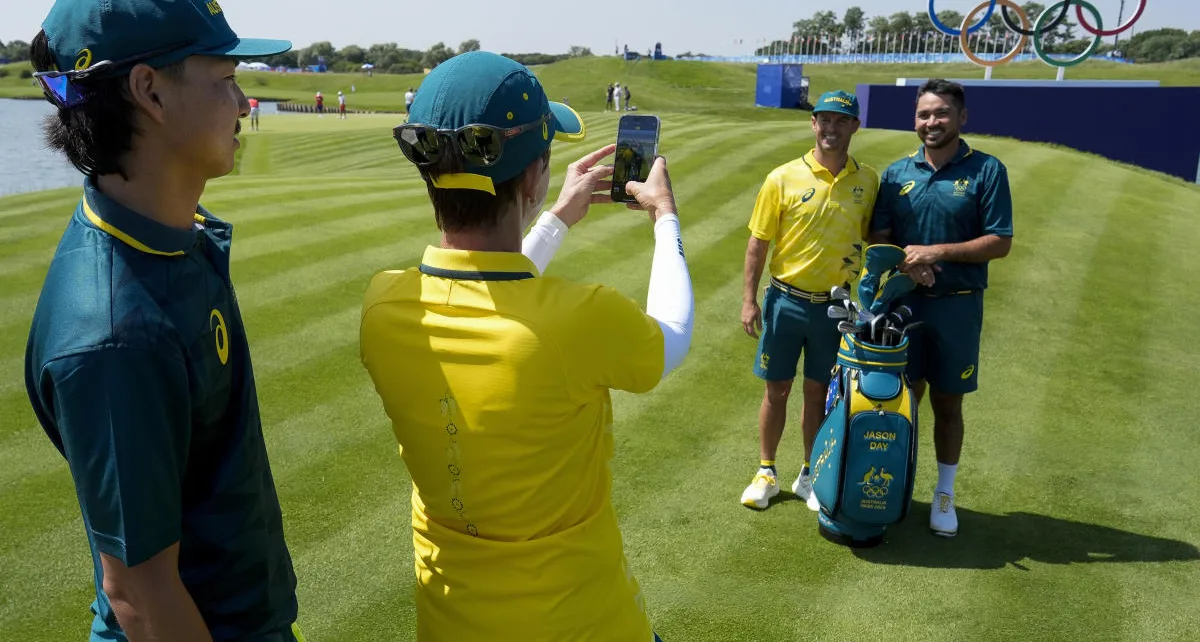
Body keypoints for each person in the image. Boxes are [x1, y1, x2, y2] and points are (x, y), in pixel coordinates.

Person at [360, 51, 693, 641]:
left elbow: (486, 293)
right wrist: (665, 217)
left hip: (450, 625)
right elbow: (671, 338)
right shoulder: (580, 317)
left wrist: (557, 220)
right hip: (584, 623)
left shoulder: (383, 306)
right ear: (537, 174)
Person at [22, 0, 302, 641]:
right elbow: (141, 598)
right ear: (148, 89)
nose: (243, 104)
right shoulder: (113, 334)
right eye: (225, 79)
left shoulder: (175, 234)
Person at [869, 78, 1013, 537]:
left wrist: (937, 253)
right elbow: (880, 237)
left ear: (962, 117)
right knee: (901, 403)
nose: (931, 122)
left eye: (941, 113)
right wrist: (908, 266)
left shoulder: (987, 170)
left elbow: (999, 241)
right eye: (924, 114)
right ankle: (898, 487)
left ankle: (944, 495)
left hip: (957, 307)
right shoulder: (896, 173)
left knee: (949, 405)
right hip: (905, 305)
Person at [739, 90, 879, 511]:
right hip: (786, 300)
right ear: (813, 124)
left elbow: (876, 237)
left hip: (836, 307)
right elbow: (757, 244)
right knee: (776, 389)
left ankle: (810, 471)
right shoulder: (781, 177)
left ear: (854, 126)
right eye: (824, 120)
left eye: (841, 120)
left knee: (819, 392)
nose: (831, 128)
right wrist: (749, 300)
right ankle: (766, 470)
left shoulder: (868, 181)